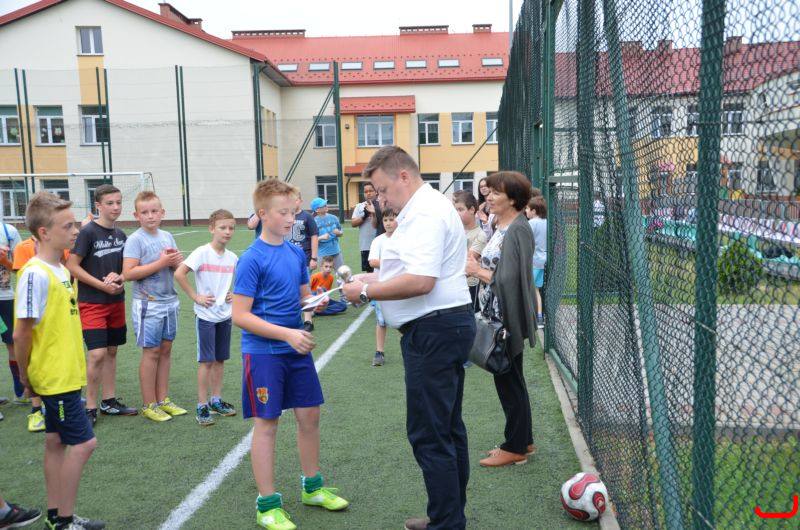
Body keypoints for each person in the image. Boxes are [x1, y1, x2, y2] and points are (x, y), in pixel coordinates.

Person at [342, 146, 475, 530]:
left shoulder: (425, 212)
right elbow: (411, 271)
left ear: (403, 176)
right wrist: (371, 279)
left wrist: (366, 291)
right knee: (446, 428)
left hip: (434, 329)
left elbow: (420, 281)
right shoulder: (424, 208)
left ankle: (447, 523)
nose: (381, 200)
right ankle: (447, 516)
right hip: (441, 325)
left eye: (383, 190)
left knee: (431, 434)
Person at [232, 179, 348, 530]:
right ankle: (267, 505)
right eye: (282, 213)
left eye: (292, 212)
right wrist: (288, 334)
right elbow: (240, 315)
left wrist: (315, 302)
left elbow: (302, 298)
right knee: (267, 424)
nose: (290, 219)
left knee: (310, 416)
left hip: (295, 348)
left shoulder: (296, 254)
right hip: (265, 353)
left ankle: (312, 488)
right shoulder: (251, 259)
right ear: (262, 214)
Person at [13, 192, 105, 530]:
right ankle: (64, 520)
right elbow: (21, 334)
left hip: (65, 372)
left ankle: (56, 516)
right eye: (67, 226)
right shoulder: (35, 274)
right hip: (54, 377)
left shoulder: (61, 268)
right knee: (84, 444)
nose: (75, 230)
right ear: (43, 233)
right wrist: (26, 377)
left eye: (75, 224)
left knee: (55, 443)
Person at [465, 171, 537, 468]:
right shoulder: (501, 224)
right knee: (510, 378)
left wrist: (476, 271)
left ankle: (515, 447)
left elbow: (510, 278)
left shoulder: (518, 229)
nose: (489, 196)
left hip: (506, 317)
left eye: (496, 192)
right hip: (496, 313)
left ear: (514, 198)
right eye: (489, 191)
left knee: (508, 380)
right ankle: (523, 440)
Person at [66, 184, 136, 426]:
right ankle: (90, 407)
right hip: (92, 303)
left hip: (116, 301)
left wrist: (120, 277)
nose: (115, 207)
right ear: (98, 205)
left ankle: (109, 401)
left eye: (118, 202)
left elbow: (127, 269)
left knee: (112, 351)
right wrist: (101, 285)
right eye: (110, 203)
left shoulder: (121, 235)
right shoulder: (88, 232)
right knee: (97, 354)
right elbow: (72, 266)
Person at [122, 191, 187, 422]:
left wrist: (176, 262)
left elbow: (176, 268)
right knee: (151, 352)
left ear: (162, 213)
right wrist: (162, 262)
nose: (150, 216)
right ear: (136, 215)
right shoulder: (135, 239)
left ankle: (163, 399)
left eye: (154, 211)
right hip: (148, 304)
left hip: (170, 302)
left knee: (166, 351)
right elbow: (129, 273)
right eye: (145, 212)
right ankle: (149, 404)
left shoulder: (167, 236)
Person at [174, 209, 238, 427]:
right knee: (206, 361)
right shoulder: (202, 252)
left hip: (225, 315)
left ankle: (216, 400)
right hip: (206, 316)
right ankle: (201, 405)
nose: (227, 232)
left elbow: (242, 279)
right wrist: (196, 297)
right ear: (212, 229)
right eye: (222, 227)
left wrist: (235, 294)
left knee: (220, 360)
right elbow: (179, 273)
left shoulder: (232, 257)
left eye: (231, 228)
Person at [366, 207, 397, 367]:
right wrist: (394, 263)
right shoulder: (378, 240)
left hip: (401, 285)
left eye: (392, 219)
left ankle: (411, 349)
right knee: (381, 321)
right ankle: (379, 351)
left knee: (406, 319)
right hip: (382, 285)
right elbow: (373, 262)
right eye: (385, 220)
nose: (388, 223)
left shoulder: (404, 239)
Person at [285, 192, 319, 331]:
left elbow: (314, 236)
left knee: (305, 289)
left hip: (304, 258)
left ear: (300, 200)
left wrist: (314, 258)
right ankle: (293, 317)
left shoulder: (307, 216)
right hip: (288, 259)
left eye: (296, 200)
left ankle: (308, 320)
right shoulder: (285, 216)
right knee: (289, 288)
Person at [0, 220, 22, 404]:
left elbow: (20, 269)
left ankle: (20, 393)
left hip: (6, 298)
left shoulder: (9, 231)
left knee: (13, 344)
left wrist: (5, 261)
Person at [453, 190, 487, 306]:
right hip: (454, 284)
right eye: (455, 210)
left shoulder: (480, 234)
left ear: (472, 209)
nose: (457, 213)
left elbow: (467, 259)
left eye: (460, 209)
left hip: (470, 285)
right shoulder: (454, 230)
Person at [526, 196, 547, 328]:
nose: (526, 211)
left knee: (531, 289)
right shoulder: (546, 222)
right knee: (536, 289)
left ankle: (534, 317)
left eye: (527, 209)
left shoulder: (531, 223)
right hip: (543, 260)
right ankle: (539, 316)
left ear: (534, 211)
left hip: (533, 261)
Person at [351, 182, 382, 273]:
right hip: (366, 246)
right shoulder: (359, 206)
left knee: (382, 271)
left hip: (381, 244)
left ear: (376, 192)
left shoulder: (382, 204)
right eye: (366, 192)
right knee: (369, 272)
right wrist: (364, 216)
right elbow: (353, 223)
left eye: (370, 191)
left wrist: (375, 213)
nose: (368, 193)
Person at [310, 198, 343, 270]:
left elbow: (341, 233)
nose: (326, 206)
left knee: (341, 273)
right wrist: (321, 237)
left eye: (326, 204)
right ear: (317, 210)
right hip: (323, 254)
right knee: (324, 275)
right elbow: (311, 240)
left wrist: (339, 233)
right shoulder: (313, 222)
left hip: (336, 251)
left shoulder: (334, 218)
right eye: (323, 205)